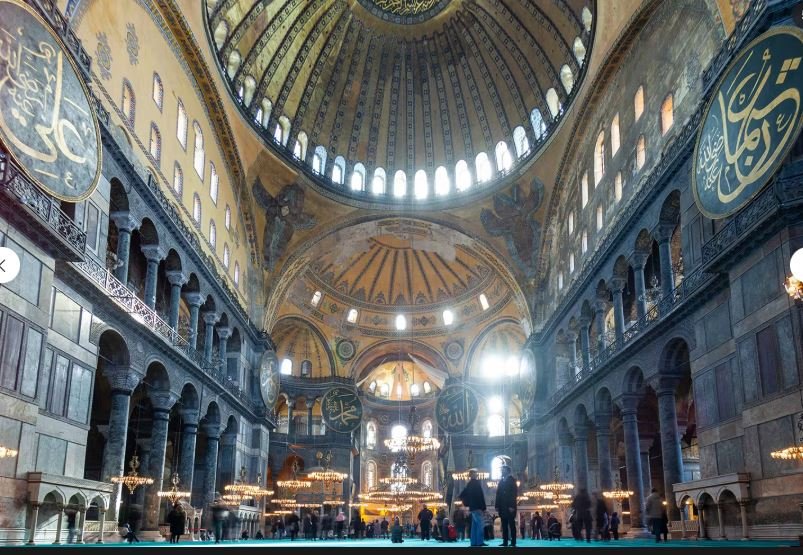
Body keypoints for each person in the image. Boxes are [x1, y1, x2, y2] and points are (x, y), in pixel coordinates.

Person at [459, 468, 488, 547]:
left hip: (472, 508)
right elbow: (480, 496)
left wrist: (468, 503)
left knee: (474, 526)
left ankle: (473, 542)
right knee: (480, 525)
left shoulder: (469, 484)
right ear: (472, 475)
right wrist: (483, 507)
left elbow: (461, 495)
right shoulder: (476, 483)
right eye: (475, 473)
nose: (477, 474)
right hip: (478, 507)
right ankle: (479, 542)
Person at [494, 459, 518, 547]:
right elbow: (498, 494)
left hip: (509, 506)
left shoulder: (512, 480)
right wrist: (497, 505)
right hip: (502, 507)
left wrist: (512, 506)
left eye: (503, 470)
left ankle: (513, 542)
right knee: (504, 525)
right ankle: (505, 542)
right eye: (501, 470)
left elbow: (514, 494)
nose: (501, 471)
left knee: (511, 525)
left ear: (507, 471)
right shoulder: (501, 481)